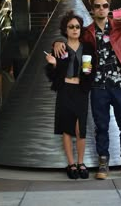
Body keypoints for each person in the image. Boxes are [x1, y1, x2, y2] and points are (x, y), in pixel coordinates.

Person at [53, 0, 121, 179]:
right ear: (92, 9)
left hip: (120, 84)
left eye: (105, 5)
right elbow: (73, 41)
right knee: (101, 126)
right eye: (97, 6)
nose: (101, 9)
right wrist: (57, 41)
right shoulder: (87, 32)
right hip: (97, 87)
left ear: (109, 7)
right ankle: (102, 163)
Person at [45, 10, 96, 179]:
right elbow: (51, 76)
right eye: (71, 26)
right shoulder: (60, 48)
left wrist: (88, 75)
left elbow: (92, 70)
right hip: (65, 90)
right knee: (67, 128)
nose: (75, 29)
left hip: (81, 90)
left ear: (81, 29)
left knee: (80, 128)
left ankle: (81, 163)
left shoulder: (87, 47)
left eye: (77, 27)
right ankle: (71, 164)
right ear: (65, 29)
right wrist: (53, 64)